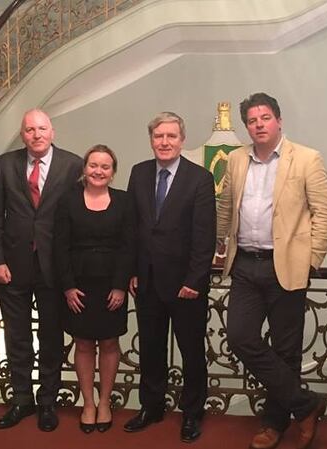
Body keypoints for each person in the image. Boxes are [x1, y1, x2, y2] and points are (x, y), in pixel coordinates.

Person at [216, 92, 327, 449]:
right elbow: (225, 205)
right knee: (239, 337)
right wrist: (220, 245)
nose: (259, 125)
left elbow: (324, 213)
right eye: (252, 120)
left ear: (278, 120)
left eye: (265, 118)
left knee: (286, 351)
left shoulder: (307, 158)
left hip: (286, 266)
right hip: (244, 265)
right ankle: (306, 404)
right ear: (246, 126)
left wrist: (311, 259)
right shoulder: (237, 159)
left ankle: (273, 425)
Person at [0, 109, 83, 432]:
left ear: (52, 132)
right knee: (17, 337)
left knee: (51, 337)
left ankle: (47, 402)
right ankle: (21, 400)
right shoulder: (4, 164)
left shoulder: (72, 165)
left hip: (54, 268)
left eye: (42, 129)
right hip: (12, 267)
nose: (36, 135)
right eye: (30, 129)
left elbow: (78, 216)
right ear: (22, 134)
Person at [124, 111, 216, 443]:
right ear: (151, 140)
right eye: (158, 136)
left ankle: (192, 412)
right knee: (150, 348)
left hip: (185, 285)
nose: (164, 142)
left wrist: (194, 280)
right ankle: (152, 407)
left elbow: (205, 236)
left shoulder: (200, 178)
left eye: (171, 136)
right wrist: (132, 272)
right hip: (146, 281)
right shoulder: (138, 172)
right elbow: (132, 228)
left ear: (182, 140)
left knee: (191, 351)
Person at [53, 144, 134, 433]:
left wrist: (120, 285)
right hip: (79, 286)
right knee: (84, 343)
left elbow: (129, 247)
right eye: (93, 165)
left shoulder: (125, 202)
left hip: (113, 286)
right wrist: (68, 287)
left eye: (105, 167)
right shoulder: (67, 201)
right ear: (84, 169)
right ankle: (88, 403)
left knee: (110, 343)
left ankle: (104, 402)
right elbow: (59, 247)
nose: (98, 171)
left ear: (113, 173)